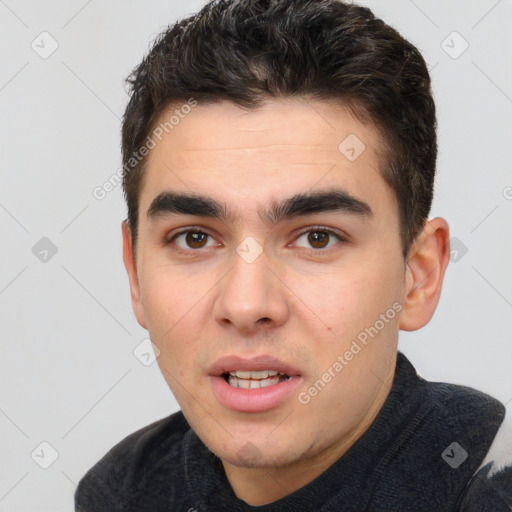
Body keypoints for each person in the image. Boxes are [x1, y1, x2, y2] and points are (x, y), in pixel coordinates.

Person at [75, 0, 512, 510]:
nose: (245, 304)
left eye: (317, 238)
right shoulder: (124, 491)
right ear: (135, 274)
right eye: (195, 238)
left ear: (417, 276)